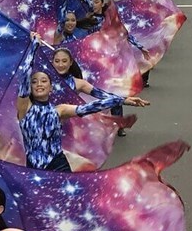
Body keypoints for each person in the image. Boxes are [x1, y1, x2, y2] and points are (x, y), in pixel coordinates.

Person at [15, 38, 149, 171]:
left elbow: (90, 107)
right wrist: (34, 45)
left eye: (44, 81)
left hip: (58, 163)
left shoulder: (60, 109)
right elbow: (25, 75)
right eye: (34, 82)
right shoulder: (24, 108)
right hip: (34, 168)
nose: (39, 84)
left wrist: (122, 100)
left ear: (51, 88)